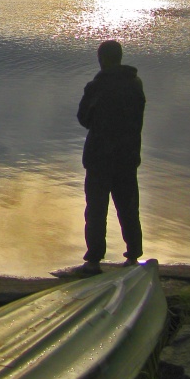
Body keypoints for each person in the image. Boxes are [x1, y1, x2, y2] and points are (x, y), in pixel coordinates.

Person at [75, 40, 146, 275]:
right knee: (128, 208)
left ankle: (94, 261)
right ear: (120, 57)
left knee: (96, 211)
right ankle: (133, 257)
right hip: (128, 157)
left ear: (102, 59)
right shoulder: (135, 84)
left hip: (99, 158)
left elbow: (84, 119)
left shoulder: (97, 87)